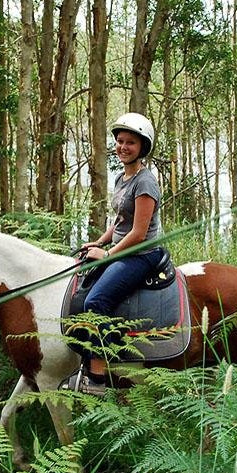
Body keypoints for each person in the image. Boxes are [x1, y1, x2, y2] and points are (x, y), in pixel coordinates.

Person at [64, 112, 168, 395]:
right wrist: (97, 242)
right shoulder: (122, 178)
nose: (123, 147)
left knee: (97, 301)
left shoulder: (145, 182)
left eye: (130, 143)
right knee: (79, 293)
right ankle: (79, 363)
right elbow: (120, 222)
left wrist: (108, 254)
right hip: (122, 251)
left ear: (142, 147)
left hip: (141, 255)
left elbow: (137, 233)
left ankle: (100, 376)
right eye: (120, 141)